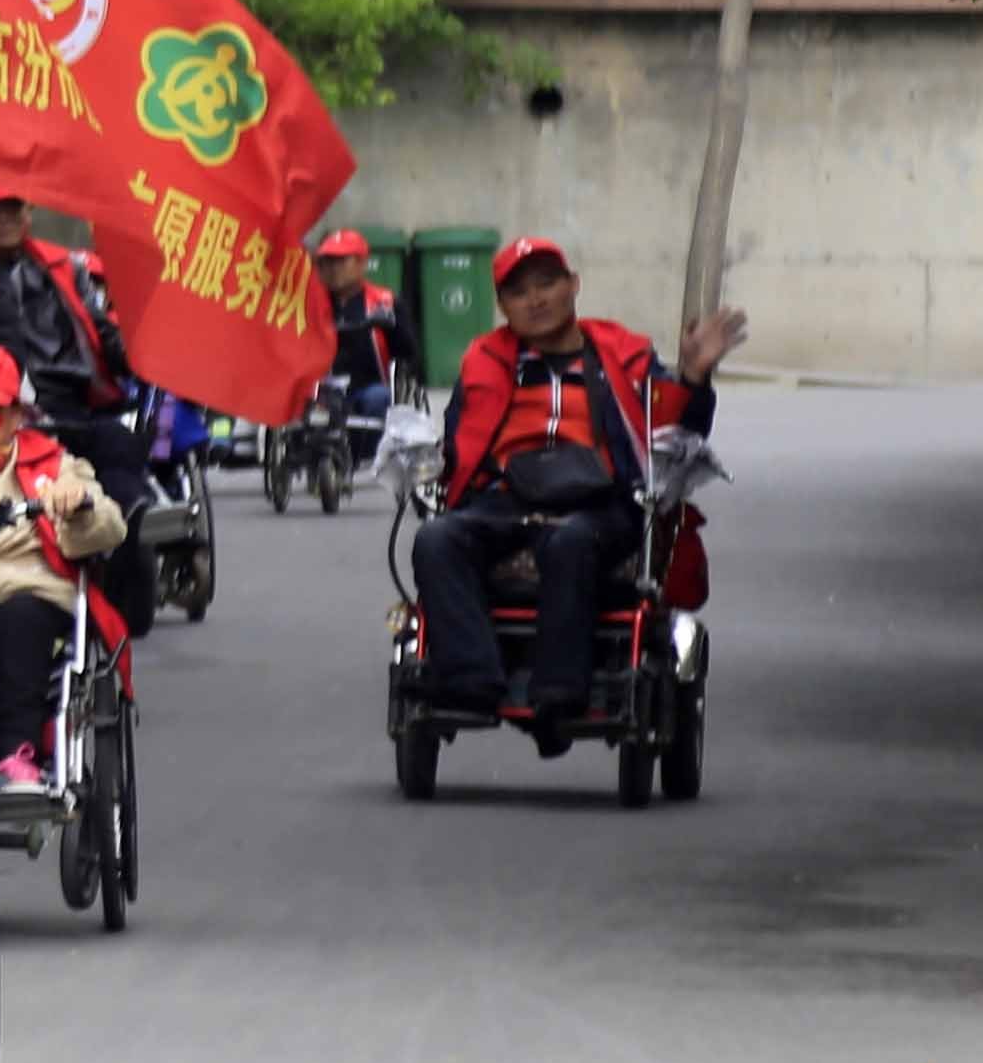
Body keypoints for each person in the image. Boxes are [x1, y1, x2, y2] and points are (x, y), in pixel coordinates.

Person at [411, 234, 746, 750]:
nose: (537, 299)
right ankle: (471, 679)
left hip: (600, 501)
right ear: (503, 306)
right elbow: (457, 445)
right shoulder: (484, 361)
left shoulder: (623, 355)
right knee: (436, 538)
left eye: (548, 284)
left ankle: (560, 692)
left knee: (570, 541)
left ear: (574, 287)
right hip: (506, 498)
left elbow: (676, 431)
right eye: (520, 292)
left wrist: (695, 377)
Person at [0, 341, 127, 794]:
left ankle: (16, 756)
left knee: (20, 619)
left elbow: (110, 526)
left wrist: (79, 507)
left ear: (16, 417)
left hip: (23, 600)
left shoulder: (51, 466)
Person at [0, 193, 156, 637]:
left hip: (78, 404)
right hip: (6, 414)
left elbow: (100, 328)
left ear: (30, 212)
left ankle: (124, 569)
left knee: (125, 466)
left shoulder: (65, 266)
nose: (8, 218)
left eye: (17, 208)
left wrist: (143, 353)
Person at [317, 228, 419, 421]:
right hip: (322, 389)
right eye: (328, 261)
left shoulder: (385, 302)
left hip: (369, 388)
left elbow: (409, 357)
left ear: (362, 263)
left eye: (341, 261)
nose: (333, 268)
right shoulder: (310, 304)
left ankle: (369, 451)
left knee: (378, 398)